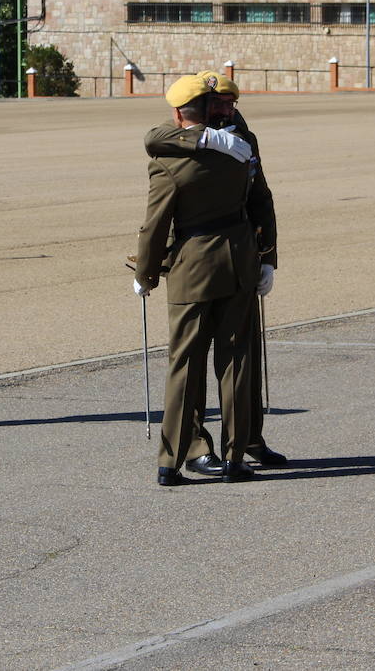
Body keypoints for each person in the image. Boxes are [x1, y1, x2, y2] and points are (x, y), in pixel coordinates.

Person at [143, 71, 285, 472]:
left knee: (243, 357)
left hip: (239, 256)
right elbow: (155, 135)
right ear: (205, 106)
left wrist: (269, 257)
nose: (227, 109)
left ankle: (247, 439)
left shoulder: (243, 137)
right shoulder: (184, 137)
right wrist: (204, 137)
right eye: (220, 102)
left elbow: (262, 198)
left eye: (230, 102)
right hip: (200, 257)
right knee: (197, 360)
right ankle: (194, 446)